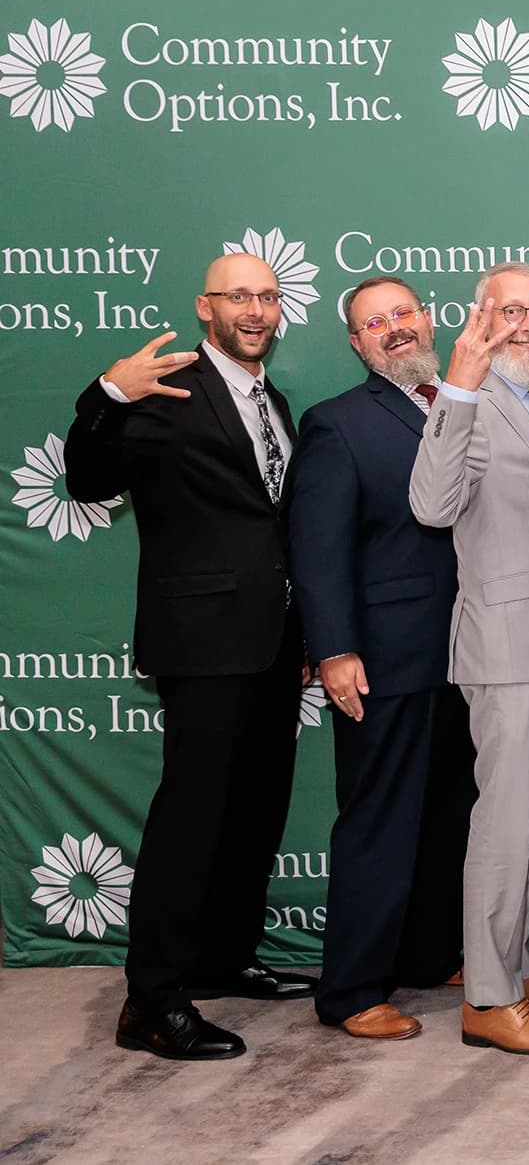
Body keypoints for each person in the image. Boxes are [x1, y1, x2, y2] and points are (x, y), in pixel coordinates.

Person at [67, 254, 316, 1060]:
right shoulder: (168, 389)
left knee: (254, 810)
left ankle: (222, 955)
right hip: (202, 641)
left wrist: (306, 630)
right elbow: (86, 479)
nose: (256, 309)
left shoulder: (272, 400)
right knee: (193, 817)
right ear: (206, 307)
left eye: (268, 296)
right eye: (239, 295)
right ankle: (152, 998)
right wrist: (108, 393)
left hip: (274, 641)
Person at [410, 263, 529, 1055]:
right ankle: (488, 997)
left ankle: (521, 965)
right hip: (506, 647)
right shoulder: (472, 397)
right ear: (482, 318)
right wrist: (457, 387)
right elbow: (432, 505)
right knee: (503, 824)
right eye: (512, 311)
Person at [290, 276, 477, 1041]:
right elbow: (317, 548)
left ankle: (428, 954)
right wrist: (334, 648)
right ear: (356, 343)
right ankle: (352, 988)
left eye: (403, 313)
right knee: (380, 822)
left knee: (448, 815)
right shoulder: (337, 423)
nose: (394, 328)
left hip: (469, 653)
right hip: (386, 659)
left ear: (427, 321)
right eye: (375, 322)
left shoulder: (468, 403)